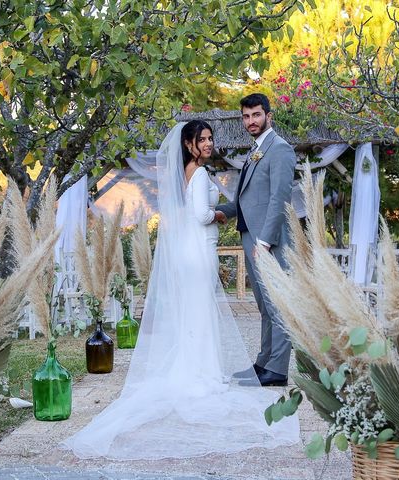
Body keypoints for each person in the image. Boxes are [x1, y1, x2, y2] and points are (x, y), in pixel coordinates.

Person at [61, 120, 299, 459]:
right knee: (200, 311)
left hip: (189, 250)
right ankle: (200, 373)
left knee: (194, 310)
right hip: (200, 249)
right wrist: (218, 214)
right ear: (188, 145)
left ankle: (195, 368)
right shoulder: (200, 174)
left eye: (209, 138)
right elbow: (201, 215)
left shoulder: (185, 172)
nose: (207, 143)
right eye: (201, 139)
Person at [216, 93, 297, 387]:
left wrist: (265, 242)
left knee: (278, 304)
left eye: (256, 115)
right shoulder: (255, 152)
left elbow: (279, 199)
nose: (251, 121)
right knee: (264, 304)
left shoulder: (280, 149)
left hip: (268, 241)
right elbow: (244, 200)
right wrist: (215, 213)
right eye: (246, 116)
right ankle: (264, 362)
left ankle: (277, 370)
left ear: (268, 116)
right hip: (251, 236)